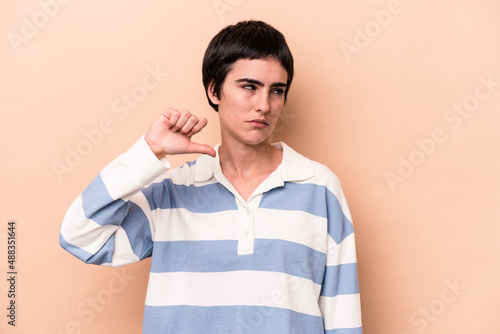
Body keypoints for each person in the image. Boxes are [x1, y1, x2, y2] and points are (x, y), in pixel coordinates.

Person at [60, 20, 362, 334]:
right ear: (214, 90)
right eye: (249, 87)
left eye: (277, 91)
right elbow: (79, 238)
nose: (264, 105)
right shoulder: (175, 191)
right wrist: (148, 153)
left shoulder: (319, 187)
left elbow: (343, 314)